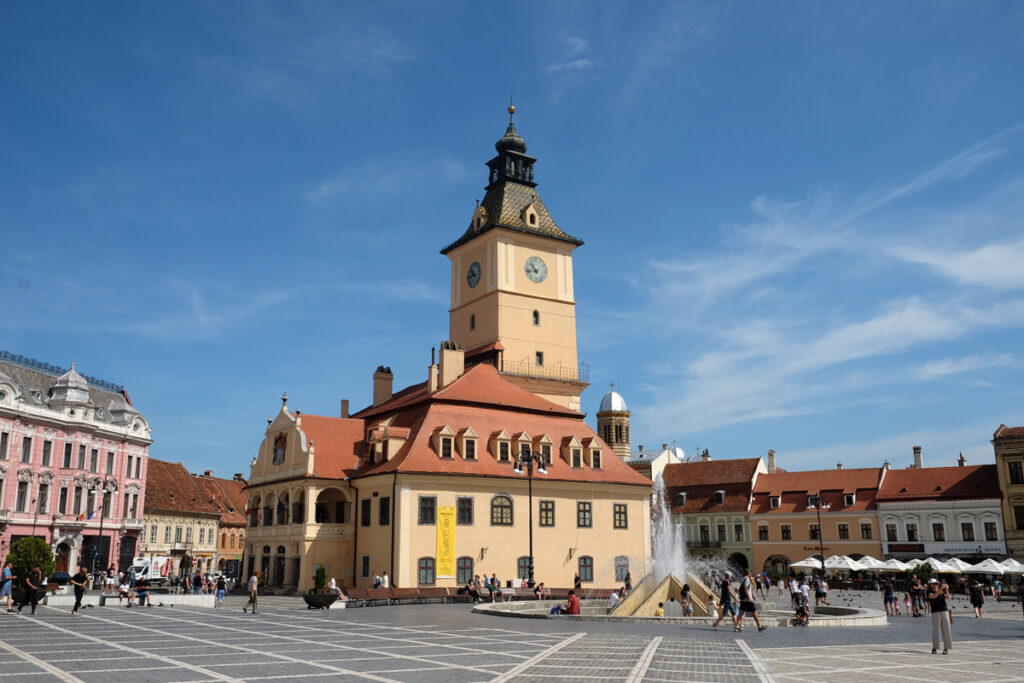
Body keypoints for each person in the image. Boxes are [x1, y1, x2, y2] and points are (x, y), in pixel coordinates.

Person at [926, 578, 952, 654]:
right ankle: (935, 647)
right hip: (935, 612)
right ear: (930, 585)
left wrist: (946, 589)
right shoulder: (929, 592)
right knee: (936, 630)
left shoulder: (941, 591)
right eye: (934, 584)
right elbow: (933, 596)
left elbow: (948, 597)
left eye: (936, 583)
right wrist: (940, 589)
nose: (935, 585)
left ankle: (946, 647)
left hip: (944, 611)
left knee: (946, 629)